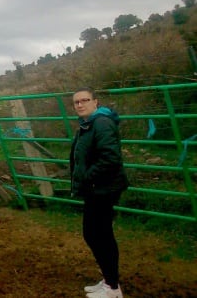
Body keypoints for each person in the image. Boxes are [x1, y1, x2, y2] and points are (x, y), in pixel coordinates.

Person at [69, 87, 129, 298]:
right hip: (96, 189)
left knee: (98, 235)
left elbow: (110, 158)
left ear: (96, 102)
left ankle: (112, 288)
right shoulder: (88, 125)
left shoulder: (101, 123)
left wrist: (87, 177)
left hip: (103, 189)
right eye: (76, 102)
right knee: (97, 234)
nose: (80, 104)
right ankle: (109, 281)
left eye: (84, 100)